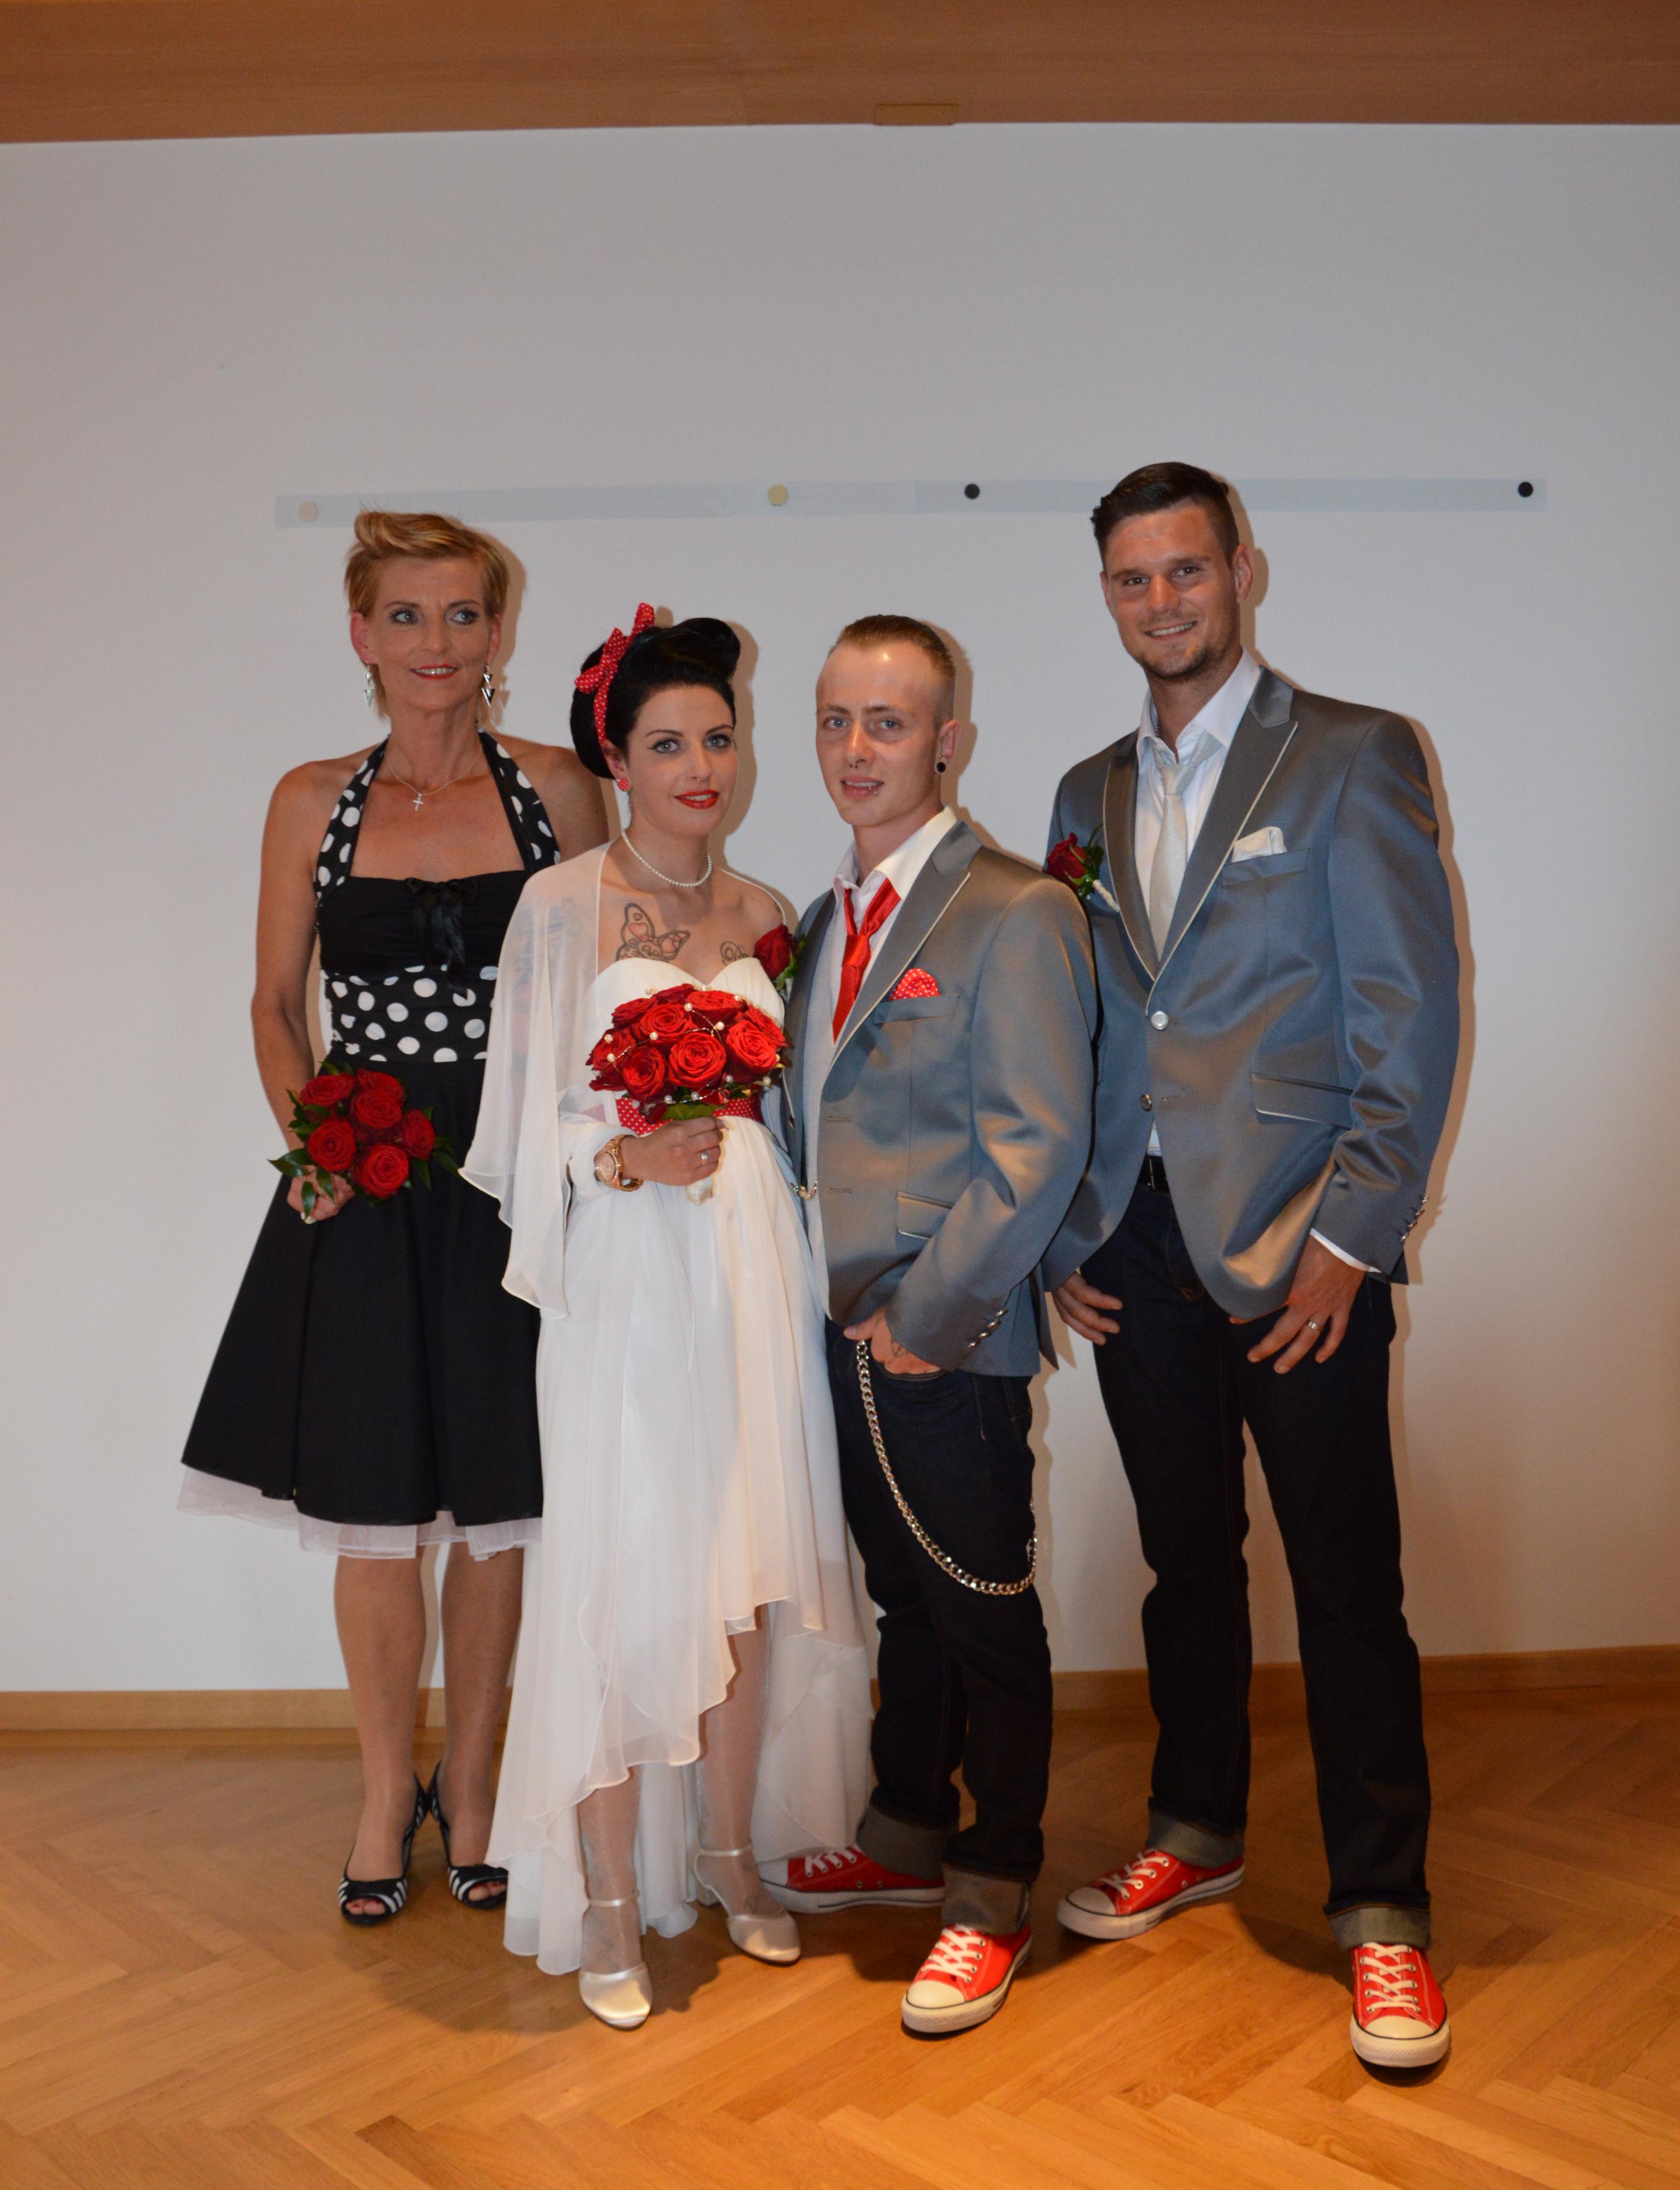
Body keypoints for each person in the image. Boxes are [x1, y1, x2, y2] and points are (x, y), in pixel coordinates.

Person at [1044, 462, 1460, 2071]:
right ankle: (1196, 1824)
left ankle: (1383, 1907)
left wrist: (1354, 1237)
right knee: (1185, 1562)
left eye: (1186, 569)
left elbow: (1409, 1014)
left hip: (1302, 1245)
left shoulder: (1353, 752)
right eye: (1131, 577)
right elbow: (1082, 1020)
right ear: (1108, 594)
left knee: (1347, 1583)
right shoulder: (1083, 791)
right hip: (1131, 1244)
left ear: (1243, 571)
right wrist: (1068, 1226)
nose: (1161, 600)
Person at [182, 509, 611, 1925]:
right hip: (363, 1174)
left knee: (494, 1506)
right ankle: (384, 1793)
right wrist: (311, 1133)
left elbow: (604, 990)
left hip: (512, 1180)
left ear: (499, 629)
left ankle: (472, 1788)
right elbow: (273, 1001)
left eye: (464, 613)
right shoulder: (311, 798)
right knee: (374, 1507)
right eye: (408, 615)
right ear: (362, 634)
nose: (439, 642)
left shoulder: (561, 788)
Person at [465, 608, 870, 2031]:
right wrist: (624, 1156)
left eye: (718, 736)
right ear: (617, 760)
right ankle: (607, 1894)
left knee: (746, 1566)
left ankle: (729, 1851)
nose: (701, 765)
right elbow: (520, 1136)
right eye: (668, 743)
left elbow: (805, 1120)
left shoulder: (769, 912)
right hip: (626, 1277)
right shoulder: (559, 904)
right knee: (628, 1565)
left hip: (749, 1267)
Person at [767, 615, 1097, 2036]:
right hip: (829, 1332)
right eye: (836, 719)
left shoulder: (1015, 909)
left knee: (984, 1607)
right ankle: (906, 1827)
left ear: (949, 741)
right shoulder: (823, 922)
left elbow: (1038, 1142)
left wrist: (931, 1312)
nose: (857, 748)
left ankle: (994, 1879)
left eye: (888, 722)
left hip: (943, 1338)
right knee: (905, 1596)